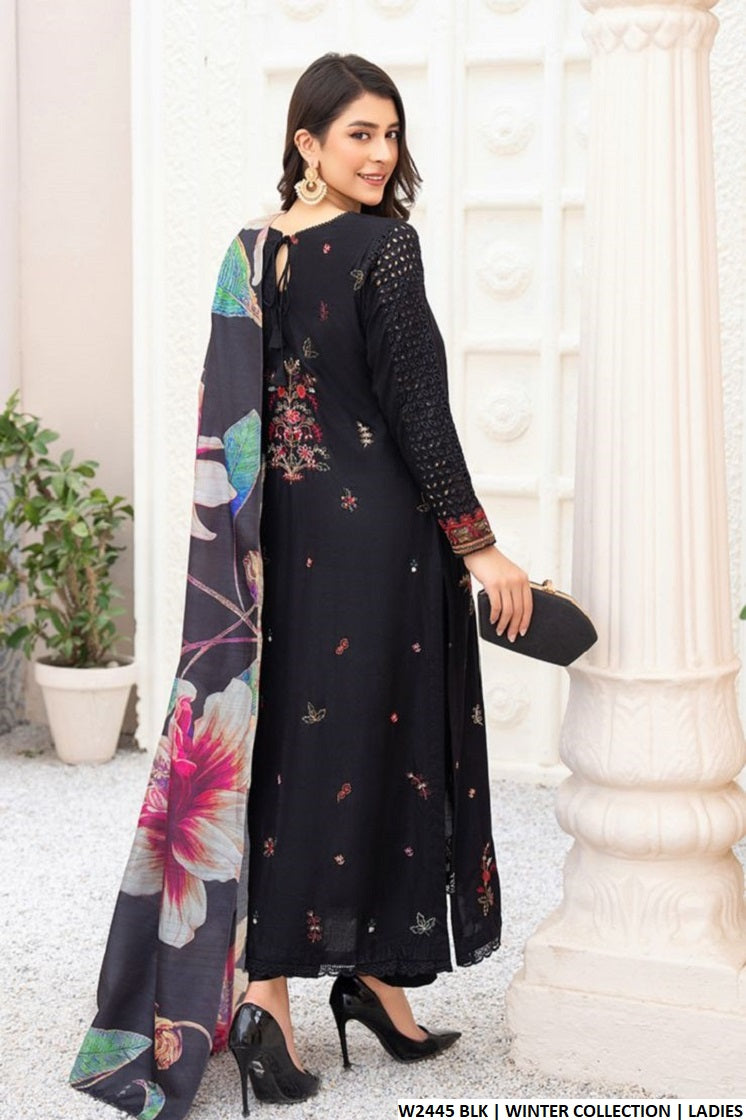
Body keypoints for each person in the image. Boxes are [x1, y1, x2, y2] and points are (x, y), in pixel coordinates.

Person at [70, 52, 531, 1120]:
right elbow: (417, 407)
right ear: (307, 142)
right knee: (376, 748)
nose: (380, 154)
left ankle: (327, 984)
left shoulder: (249, 251)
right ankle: (291, 989)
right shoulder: (384, 248)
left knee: (290, 746)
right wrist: (478, 545)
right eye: (358, 133)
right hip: (380, 544)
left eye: (390, 134)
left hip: (274, 545)